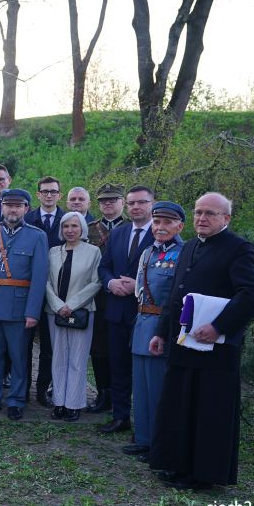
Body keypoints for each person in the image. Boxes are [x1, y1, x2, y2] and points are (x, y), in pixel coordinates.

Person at [150, 193, 254, 490]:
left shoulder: (239, 249)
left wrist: (218, 326)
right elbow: (176, 294)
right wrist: (161, 331)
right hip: (183, 341)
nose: (202, 218)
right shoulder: (189, 246)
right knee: (180, 405)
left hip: (215, 349)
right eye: (198, 212)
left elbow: (252, 295)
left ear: (226, 218)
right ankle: (176, 465)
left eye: (210, 214)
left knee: (207, 411)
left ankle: (202, 475)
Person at [0, 189, 48, 421]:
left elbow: (39, 277)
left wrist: (33, 311)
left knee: (18, 357)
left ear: (26, 209)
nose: (13, 210)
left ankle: (16, 400)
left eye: (18, 206)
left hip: (19, 309)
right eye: (8, 205)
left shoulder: (37, 236)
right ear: (1, 207)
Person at [123, 202, 184, 463]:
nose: (160, 227)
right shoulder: (148, 252)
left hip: (164, 327)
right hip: (142, 324)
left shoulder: (184, 253)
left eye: (167, 223)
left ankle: (159, 443)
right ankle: (143, 438)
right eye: (157, 222)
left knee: (159, 389)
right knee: (142, 387)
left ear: (180, 226)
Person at [97, 185, 156, 434]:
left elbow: (171, 276)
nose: (135, 207)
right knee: (118, 367)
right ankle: (121, 417)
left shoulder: (162, 232)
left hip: (148, 314)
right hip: (118, 311)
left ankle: (148, 424)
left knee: (145, 373)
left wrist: (138, 286)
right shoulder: (119, 233)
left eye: (141, 202)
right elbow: (104, 266)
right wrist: (110, 283)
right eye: (131, 203)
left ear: (152, 204)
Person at [44, 212, 102, 422]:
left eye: (74, 226)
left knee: (77, 359)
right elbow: (46, 282)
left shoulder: (93, 252)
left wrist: (72, 305)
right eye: (66, 226)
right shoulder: (52, 252)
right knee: (59, 358)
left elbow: (96, 282)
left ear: (82, 229)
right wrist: (59, 306)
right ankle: (59, 402)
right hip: (55, 312)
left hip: (82, 312)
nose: (70, 230)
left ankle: (74, 404)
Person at [85, 183, 127, 413]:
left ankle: (121, 396)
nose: (108, 204)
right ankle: (103, 394)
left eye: (112, 200)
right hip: (97, 299)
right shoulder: (90, 229)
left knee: (121, 351)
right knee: (99, 350)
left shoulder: (133, 228)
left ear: (122, 202)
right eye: (103, 201)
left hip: (125, 297)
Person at [24, 176, 65, 406]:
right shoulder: (27, 219)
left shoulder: (68, 221)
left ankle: (43, 390)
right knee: (25, 344)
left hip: (57, 292)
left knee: (49, 347)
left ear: (59, 195)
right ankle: (23, 389)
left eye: (53, 191)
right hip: (29, 290)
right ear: (38, 194)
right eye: (45, 191)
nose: (49, 195)